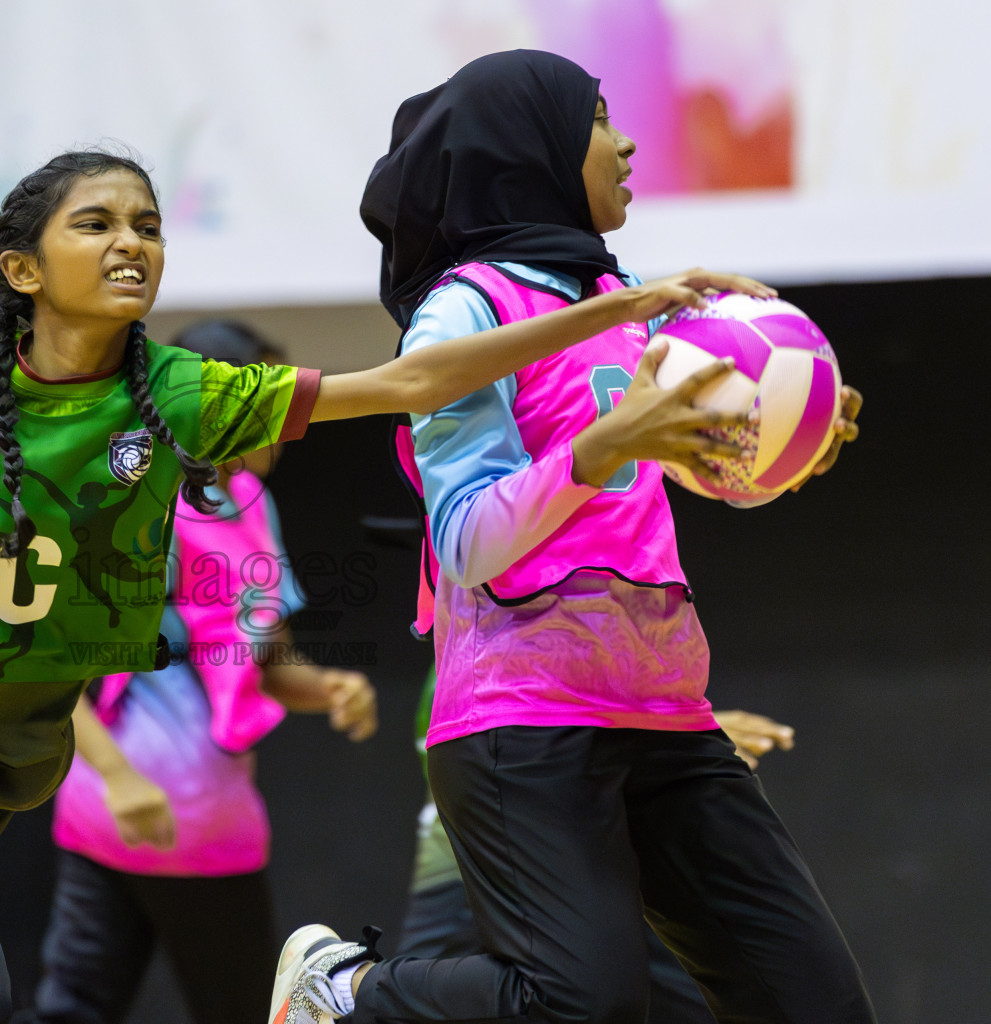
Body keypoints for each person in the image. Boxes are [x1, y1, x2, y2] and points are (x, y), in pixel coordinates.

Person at [0, 148, 765, 1024]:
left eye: (146, 222)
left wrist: (620, 303)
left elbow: (400, 384)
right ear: (19, 268)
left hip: (2, 755)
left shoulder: (172, 397)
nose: (131, 240)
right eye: (95, 223)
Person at [268, 50, 871, 1024]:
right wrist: (592, 451)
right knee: (581, 1006)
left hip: (661, 707)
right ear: (533, 148)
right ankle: (344, 991)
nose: (627, 140)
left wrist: (784, 449)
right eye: (596, 119)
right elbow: (463, 538)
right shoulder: (463, 315)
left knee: (812, 1005)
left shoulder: (619, 299)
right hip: (520, 718)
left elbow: (680, 480)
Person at [29, 320, 378, 1024]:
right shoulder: (131, 502)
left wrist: (330, 688)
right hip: (115, 809)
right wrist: (121, 778)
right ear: (213, 401)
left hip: (207, 822)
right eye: (270, 401)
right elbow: (46, 663)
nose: (289, 422)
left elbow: (268, 663)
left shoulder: (253, 506)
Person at [398, 667, 796, 1024]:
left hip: (610, 856)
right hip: (492, 860)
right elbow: (471, 739)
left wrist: (672, 738)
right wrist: (660, 735)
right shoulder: (493, 630)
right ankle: (346, 978)